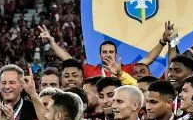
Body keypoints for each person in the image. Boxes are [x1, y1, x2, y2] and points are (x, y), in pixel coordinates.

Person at [40, 21, 173, 81]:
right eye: (105, 52)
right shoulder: (90, 70)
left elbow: (149, 59)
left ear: (116, 55)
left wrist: (162, 41)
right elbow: (67, 58)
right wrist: (52, 41)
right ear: (100, 55)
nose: (108, 54)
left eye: (111, 52)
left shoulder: (127, 69)